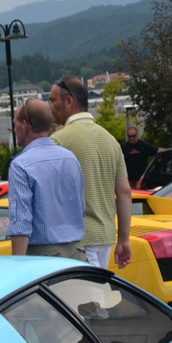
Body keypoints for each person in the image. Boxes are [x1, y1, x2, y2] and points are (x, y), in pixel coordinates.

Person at [49, 76, 132, 270]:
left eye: (52, 100)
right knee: (97, 294)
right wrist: (124, 239)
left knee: (86, 298)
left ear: (69, 100)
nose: (49, 106)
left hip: (77, 241)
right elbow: (125, 192)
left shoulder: (59, 141)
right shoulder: (111, 141)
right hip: (106, 238)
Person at [6, 99, 85, 259]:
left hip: (44, 259)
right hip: (78, 255)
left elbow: (21, 224)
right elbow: (81, 209)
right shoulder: (70, 158)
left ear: (25, 125)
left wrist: (16, 266)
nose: (14, 129)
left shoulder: (21, 165)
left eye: (16, 124)